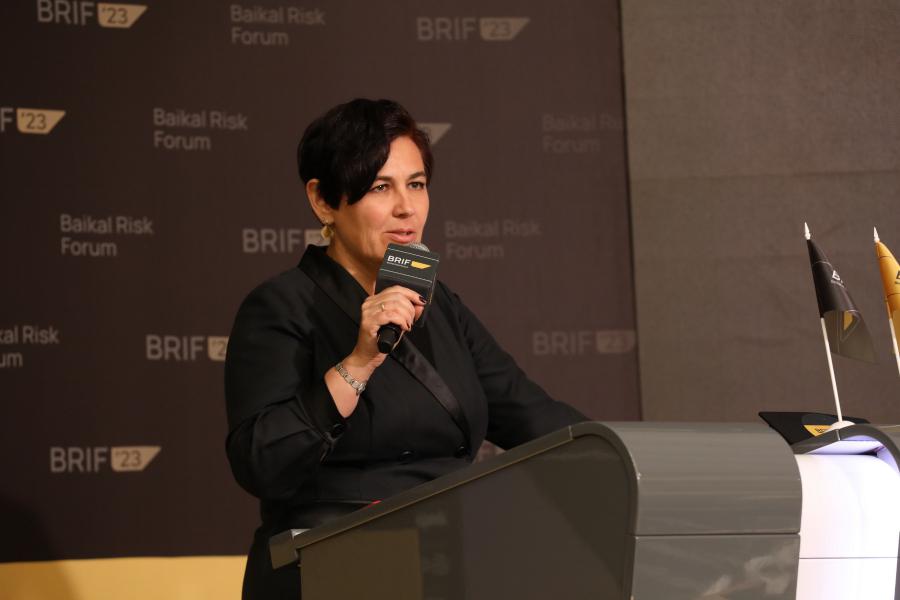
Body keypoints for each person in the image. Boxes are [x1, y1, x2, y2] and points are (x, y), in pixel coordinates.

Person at [224, 98, 587, 599]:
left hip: (448, 560)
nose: (406, 208)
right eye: (381, 187)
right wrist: (360, 361)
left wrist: (621, 455)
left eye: (416, 184)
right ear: (324, 201)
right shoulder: (281, 306)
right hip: (332, 567)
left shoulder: (440, 305)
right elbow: (262, 462)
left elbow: (530, 413)